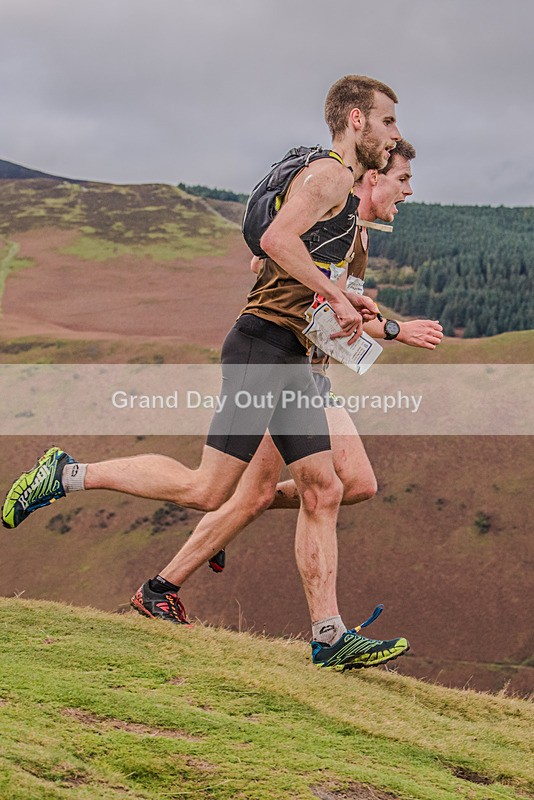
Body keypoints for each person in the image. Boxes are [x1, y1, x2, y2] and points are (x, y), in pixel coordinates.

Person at [3, 75, 410, 672]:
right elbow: (273, 239)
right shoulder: (327, 174)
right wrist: (334, 294)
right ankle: (65, 474)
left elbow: (276, 260)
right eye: (388, 121)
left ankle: (329, 636)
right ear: (356, 120)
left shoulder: (344, 195)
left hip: (293, 357)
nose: (394, 133)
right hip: (262, 347)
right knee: (208, 490)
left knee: (324, 489)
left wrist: (348, 302)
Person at [203, 139, 442, 578]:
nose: (409, 191)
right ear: (374, 177)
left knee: (353, 485)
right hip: (283, 360)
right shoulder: (336, 218)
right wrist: (395, 329)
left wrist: (381, 322)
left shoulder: (360, 235)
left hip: (312, 370)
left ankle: (223, 520)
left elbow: (340, 310)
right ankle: (174, 572)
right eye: (403, 179)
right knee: (267, 492)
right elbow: (264, 260)